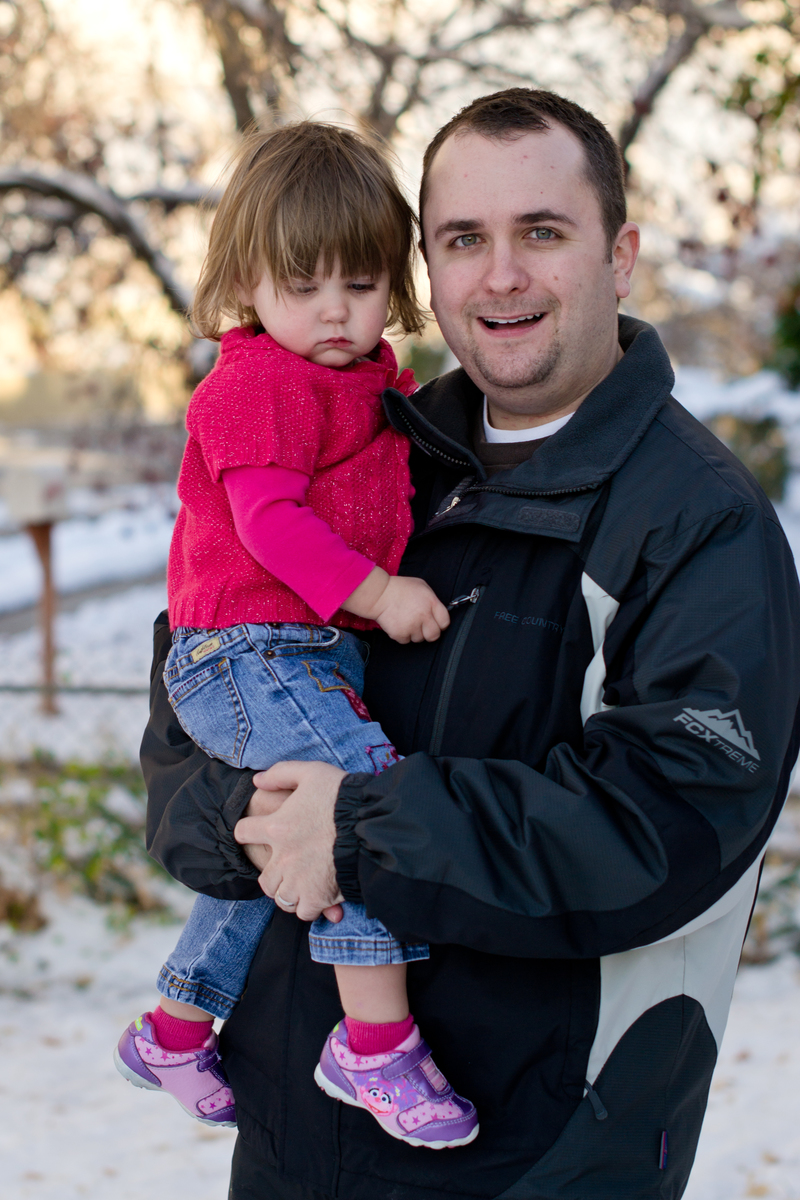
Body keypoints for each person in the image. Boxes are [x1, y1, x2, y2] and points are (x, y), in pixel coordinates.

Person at [142, 88, 800, 1200]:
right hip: (293, 1146)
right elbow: (181, 750)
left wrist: (356, 832)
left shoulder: (696, 521)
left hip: (534, 1154)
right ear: (427, 270)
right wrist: (256, 819)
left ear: (619, 255)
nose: (499, 276)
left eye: (540, 232)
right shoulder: (361, 455)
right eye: (461, 240)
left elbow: (669, 824)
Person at [115, 121, 479, 1149]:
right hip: (244, 652)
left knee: (284, 841)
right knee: (359, 804)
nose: (334, 311)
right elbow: (270, 522)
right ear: (247, 282)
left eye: (360, 284)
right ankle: (374, 1045)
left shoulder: (369, 384)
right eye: (303, 283)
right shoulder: (257, 384)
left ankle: (174, 1029)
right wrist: (378, 592)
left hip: (291, 656)